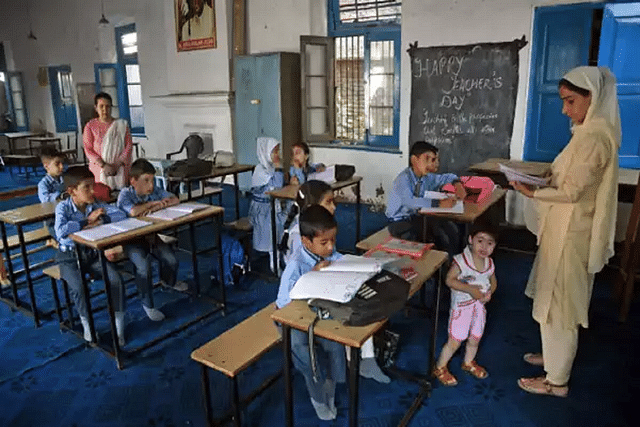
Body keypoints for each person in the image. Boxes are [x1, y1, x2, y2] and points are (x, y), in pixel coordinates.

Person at [512, 66, 621, 397]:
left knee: (562, 305)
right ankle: (553, 358)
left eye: (570, 101)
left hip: (572, 233)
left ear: (593, 98)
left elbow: (573, 191)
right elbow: (568, 177)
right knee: (553, 298)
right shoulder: (585, 134)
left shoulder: (595, 139)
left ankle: (556, 381)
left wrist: (533, 192)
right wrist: (546, 179)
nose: (565, 110)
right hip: (564, 229)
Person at [279, 180, 390, 383]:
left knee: (359, 299)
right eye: (329, 202)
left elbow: (334, 256)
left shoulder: (323, 234)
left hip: (323, 288)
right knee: (347, 310)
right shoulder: (300, 241)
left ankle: (364, 359)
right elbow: (288, 293)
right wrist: (314, 272)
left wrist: (360, 265)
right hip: (301, 302)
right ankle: (341, 368)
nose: (334, 207)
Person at [275, 205, 346, 421]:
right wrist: (311, 276)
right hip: (289, 318)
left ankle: (331, 386)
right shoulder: (296, 264)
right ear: (306, 242)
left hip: (317, 311)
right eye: (324, 243)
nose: (330, 246)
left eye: (333, 240)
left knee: (336, 343)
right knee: (303, 351)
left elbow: (339, 258)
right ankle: (317, 396)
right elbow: (285, 300)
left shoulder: (326, 250)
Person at [54, 166, 128, 345]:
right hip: (69, 257)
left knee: (116, 280)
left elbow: (121, 214)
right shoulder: (63, 208)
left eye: (93, 186)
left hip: (92, 254)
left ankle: (119, 328)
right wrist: (86, 222)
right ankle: (87, 325)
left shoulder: (95, 205)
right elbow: (61, 232)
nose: (92, 191)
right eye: (86, 187)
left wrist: (102, 220)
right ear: (72, 191)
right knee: (79, 287)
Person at [116, 159, 188, 322]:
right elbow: (133, 212)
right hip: (131, 240)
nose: (151, 185)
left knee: (171, 260)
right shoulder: (125, 194)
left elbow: (174, 199)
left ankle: (167, 281)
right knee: (144, 267)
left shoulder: (154, 190)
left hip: (151, 235)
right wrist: (153, 204)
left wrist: (154, 206)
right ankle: (147, 304)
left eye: (152, 180)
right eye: (146, 180)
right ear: (133, 181)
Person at [433, 222, 498, 386]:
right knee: (455, 340)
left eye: (490, 243)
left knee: (475, 337)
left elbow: (493, 280)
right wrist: (469, 289)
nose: (484, 246)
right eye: (480, 240)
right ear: (471, 239)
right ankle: (440, 367)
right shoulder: (462, 261)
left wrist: (490, 293)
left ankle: (468, 362)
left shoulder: (489, 263)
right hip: (462, 309)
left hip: (479, 308)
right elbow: (449, 280)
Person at [385, 141, 467, 255]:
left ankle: (453, 265)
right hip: (399, 222)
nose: (435, 164)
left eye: (435, 160)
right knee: (420, 241)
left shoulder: (426, 178)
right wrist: (438, 204)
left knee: (449, 230)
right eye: (429, 159)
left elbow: (446, 177)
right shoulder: (403, 179)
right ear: (414, 160)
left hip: (418, 217)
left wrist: (457, 184)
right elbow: (410, 202)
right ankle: (431, 268)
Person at [249, 136, 286, 270]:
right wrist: (278, 167)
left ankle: (282, 251)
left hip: (272, 206)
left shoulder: (270, 168)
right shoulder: (260, 170)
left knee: (288, 218)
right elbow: (277, 184)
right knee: (273, 228)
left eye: (278, 151)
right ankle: (273, 259)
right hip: (262, 211)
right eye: (274, 152)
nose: (277, 155)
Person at [83, 92, 133, 190]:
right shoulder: (90, 126)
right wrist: (103, 165)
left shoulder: (121, 125)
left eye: (107, 106)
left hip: (120, 169)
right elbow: (88, 149)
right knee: (103, 195)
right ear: (96, 108)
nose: (105, 110)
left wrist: (117, 164)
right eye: (101, 106)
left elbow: (128, 146)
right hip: (99, 169)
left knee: (121, 196)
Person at [38, 146, 65, 246]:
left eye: (62, 163)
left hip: (65, 215)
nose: (61, 167)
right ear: (46, 166)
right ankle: (53, 240)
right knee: (63, 237)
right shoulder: (43, 184)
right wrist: (60, 196)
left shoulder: (65, 179)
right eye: (57, 164)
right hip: (52, 219)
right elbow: (45, 200)